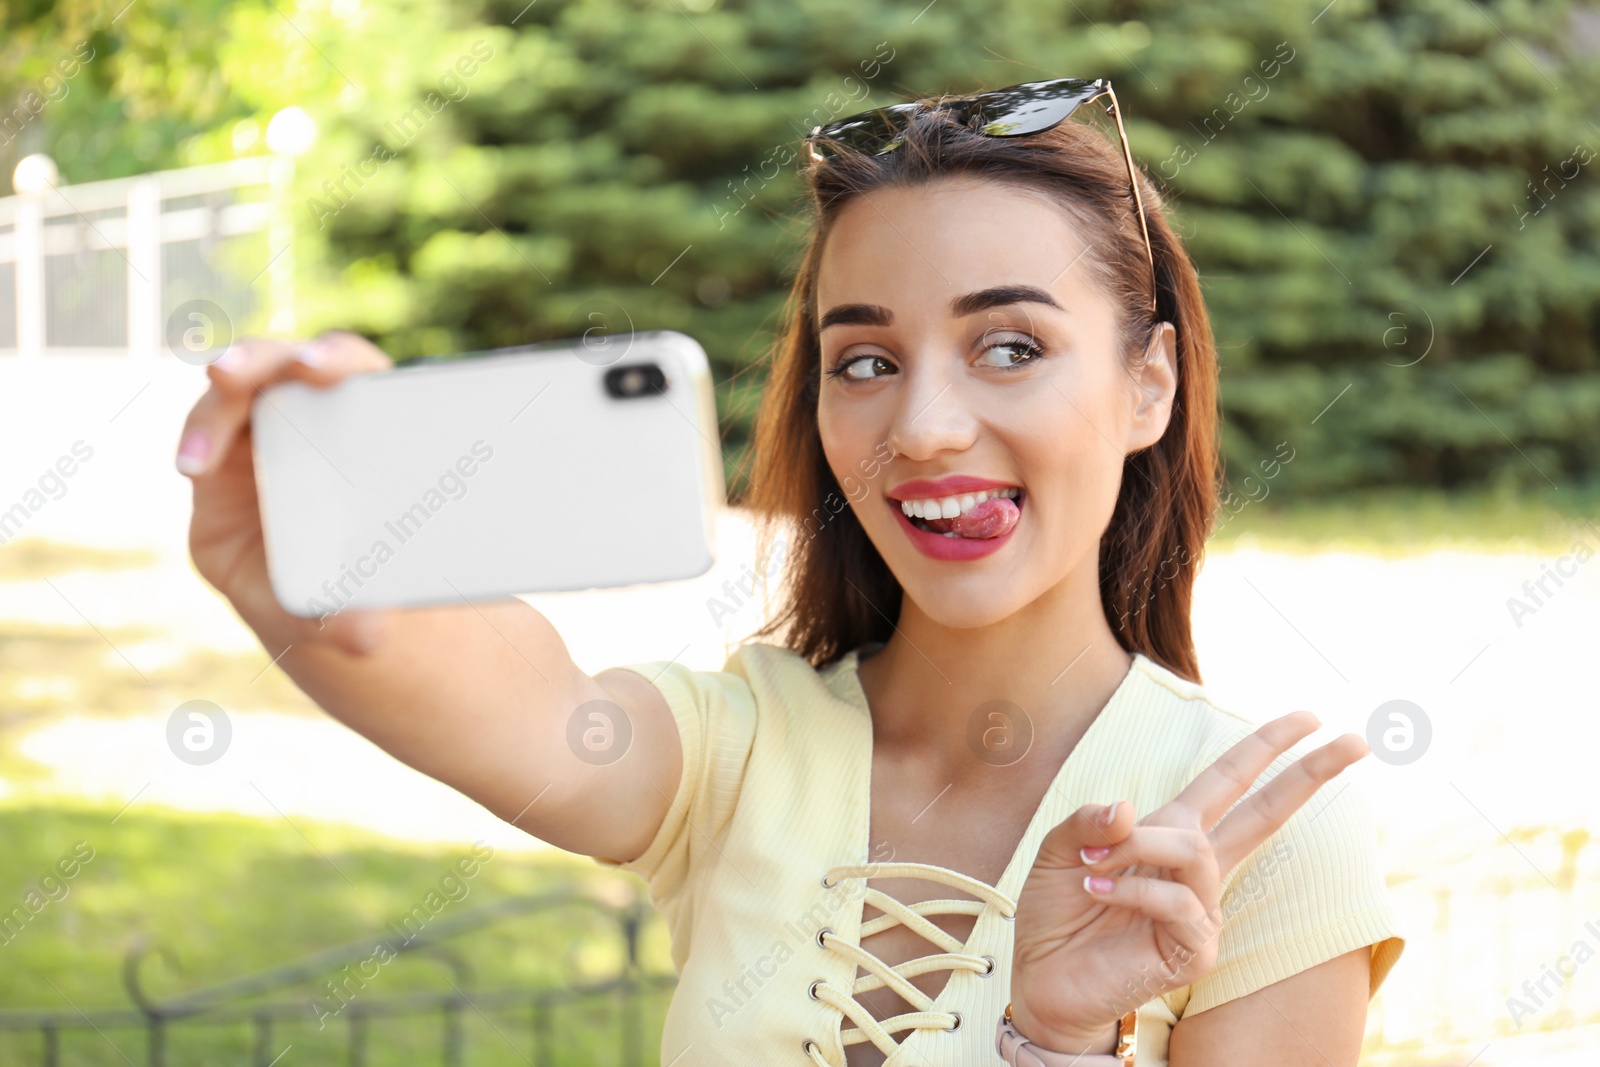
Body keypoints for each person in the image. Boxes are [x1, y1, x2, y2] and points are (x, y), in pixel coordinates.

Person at [175, 77, 1404, 1067]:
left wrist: (1056, 1039)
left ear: (1149, 383)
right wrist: (311, 567)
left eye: (1010, 345)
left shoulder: (1259, 842)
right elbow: (519, 700)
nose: (922, 425)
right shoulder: (738, 745)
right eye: (863, 359)